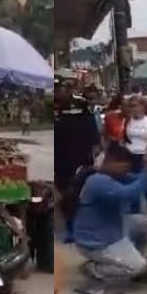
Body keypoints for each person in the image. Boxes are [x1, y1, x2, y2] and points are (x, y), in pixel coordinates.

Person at [71, 143, 147, 294]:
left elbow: (144, 185)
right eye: (124, 166)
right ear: (112, 163)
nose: (126, 171)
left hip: (114, 231)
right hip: (96, 241)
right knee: (139, 266)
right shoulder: (97, 181)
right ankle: (95, 268)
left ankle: (127, 261)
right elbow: (129, 194)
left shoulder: (116, 176)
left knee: (143, 224)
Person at [53, 82, 101, 240]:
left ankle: (76, 228)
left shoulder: (81, 107)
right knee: (65, 192)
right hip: (62, 158)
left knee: (78, 194)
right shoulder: (57, 110)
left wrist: (93, 156)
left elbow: (93, 136)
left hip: (81, 158)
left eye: (61, 90)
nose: (59, 93)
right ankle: (71, 226)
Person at [124, 95, 147, 220]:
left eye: (135, 106)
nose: (133, 109)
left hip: (144, 156)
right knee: (132, 186)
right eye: (131, 106)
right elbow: (124, 138)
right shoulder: (127, 122)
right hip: (130, 156)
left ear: (142, 106)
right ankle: (135, 214)